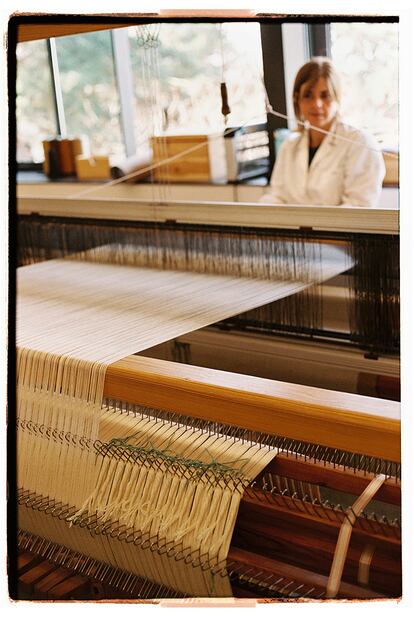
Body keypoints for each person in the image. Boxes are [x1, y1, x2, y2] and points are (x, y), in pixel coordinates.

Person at [260, 57, 385, 207]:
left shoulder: (360, 143)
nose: (316, 104)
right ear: (297, 100)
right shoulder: (289, 145)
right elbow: (277, 196)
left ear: (337, 99)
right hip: (293, 229)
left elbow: (359, 207)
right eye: (308, 95)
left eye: (325, 95)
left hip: (337, 230)